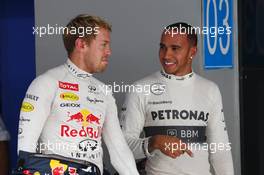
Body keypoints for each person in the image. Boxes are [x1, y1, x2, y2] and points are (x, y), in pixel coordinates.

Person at [16, 14, 139, 175]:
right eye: (103, 45)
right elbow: (25, 154)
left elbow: (119, 150)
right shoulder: (46, 83)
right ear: (81, 44)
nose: (109, 52)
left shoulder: (104, 91)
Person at [120, 22, 234, 175]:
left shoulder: (210, 90)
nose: (166, 55)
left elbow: (220, 149)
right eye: (162, 47)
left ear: (192, 52)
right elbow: (120, 147)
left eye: (175, 48)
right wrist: (154, 142)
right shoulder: (141, 88)